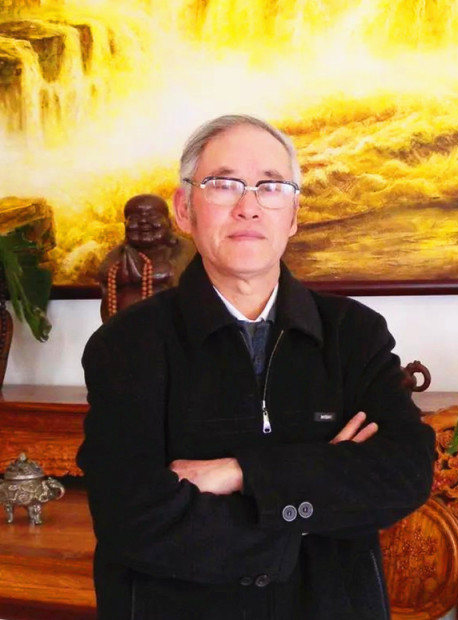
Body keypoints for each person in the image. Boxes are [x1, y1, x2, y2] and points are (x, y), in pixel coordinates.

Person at [77, 114, 436, 620]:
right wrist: (316, 497)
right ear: (184, 209)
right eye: (224, 184)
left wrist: (241, 473)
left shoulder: (354, 333)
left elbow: (405, 473)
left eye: (271, 187)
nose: (249, 206)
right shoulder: (126, 345)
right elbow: (131, 516)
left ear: (292, 215)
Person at [97, 193, 194, 322]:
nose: (143, 221)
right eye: (135, 218)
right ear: (125, 225)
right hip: (126, 324)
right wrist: (121, 272)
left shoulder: (183, 246)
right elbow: (104, 271)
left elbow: (180, 269)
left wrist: (150, 272)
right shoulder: (122, 251)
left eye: (152, 216)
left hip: (171, 323)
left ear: (169, 222)